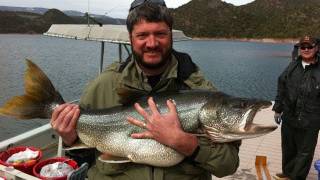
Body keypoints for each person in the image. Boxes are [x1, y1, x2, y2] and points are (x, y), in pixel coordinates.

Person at [50, 0, 240, 179]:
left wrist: (186, 143)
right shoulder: (103, 85)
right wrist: (70, 138)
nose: (152, 43)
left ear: (171, 34)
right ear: (131, 38)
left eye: (160, 34)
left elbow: (228, 165)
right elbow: (83, 159)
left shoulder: (199, 89)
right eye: (142, 35)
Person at [273, 35, 320, 180]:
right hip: (289, 116)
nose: (306, 50)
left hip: (311, 119)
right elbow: (282, 85)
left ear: (316, 48)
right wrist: (278, 108)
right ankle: (287, 173)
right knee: (289, 148)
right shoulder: (293, 65)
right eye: (303, 47)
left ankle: (297, 177)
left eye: (309, 47)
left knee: (304, 153)